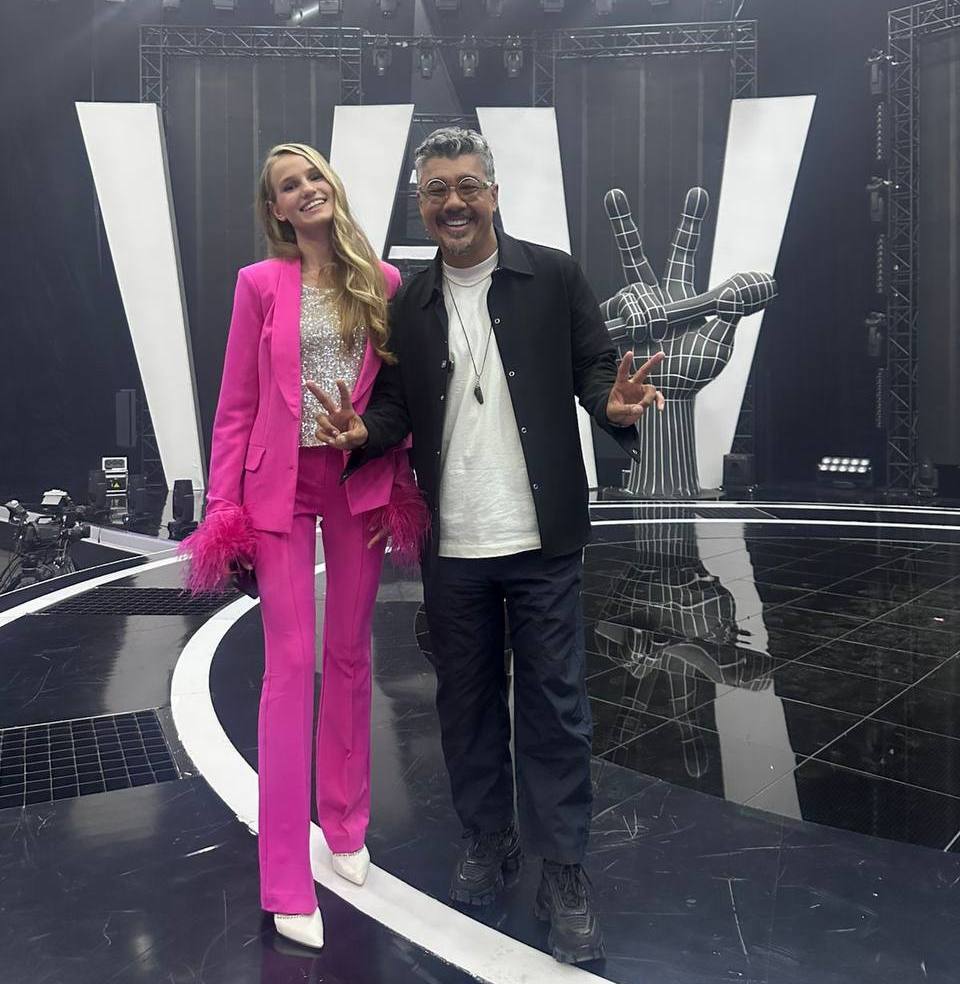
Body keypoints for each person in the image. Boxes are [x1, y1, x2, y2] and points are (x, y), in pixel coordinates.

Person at [312, 128, 663, 965]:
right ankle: (486, 836)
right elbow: (397, 406)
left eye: (467, 185)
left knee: (556, 707)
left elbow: (593, 367)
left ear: (494, 194)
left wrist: (611, 406)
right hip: (454, 542)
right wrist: (365, 431)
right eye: (437, 190)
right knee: (464, 706)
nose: (454, 202)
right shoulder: (408, 304)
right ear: (421, 205)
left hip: (541, 538)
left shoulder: (555, 277)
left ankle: (564, 868)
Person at [181, 142, 427, 951]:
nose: (306, 188)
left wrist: (395, 471)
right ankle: (286, 876)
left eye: (313, 174)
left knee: (350, 653)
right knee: (289, 667)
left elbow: (397, 396)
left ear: (332, 185)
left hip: (357, 479)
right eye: (290, 185)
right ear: (276, 210)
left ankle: (346, 823)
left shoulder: (382, 281)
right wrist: (223, 509)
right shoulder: (259, 284)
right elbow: (236, 405)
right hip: (277, 486)